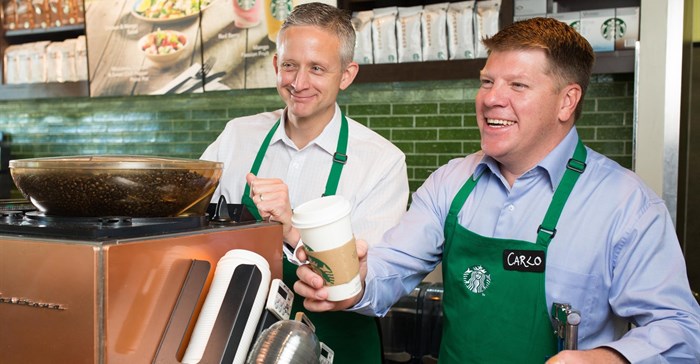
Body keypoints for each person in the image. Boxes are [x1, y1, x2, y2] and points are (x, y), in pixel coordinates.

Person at [294, 17, 700, 363]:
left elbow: (680, 328)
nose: (491, 99)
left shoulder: (626, 204)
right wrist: (355, 282)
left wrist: (610, 358)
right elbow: (392, 266)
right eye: (487, 81)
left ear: (567, 101)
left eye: (517, 86)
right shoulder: (451, 183)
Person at [200, 3, 409, 363]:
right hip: (241, 340)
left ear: (346, 74)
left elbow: (368, 284)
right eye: (290, 66)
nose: (298, 83)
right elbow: (191, 223)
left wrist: (291, 226)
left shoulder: (381, 161)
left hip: (337, 346)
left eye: (316, 68)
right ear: (275, 66)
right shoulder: (237, 137)